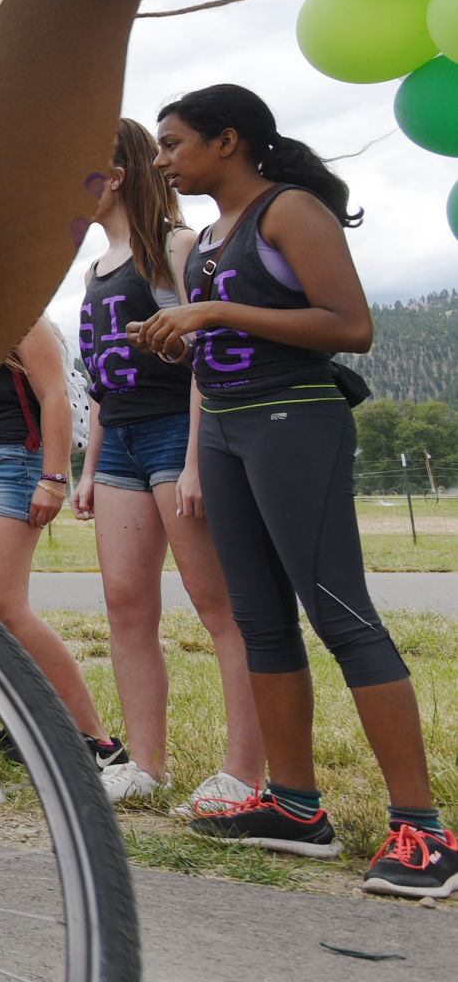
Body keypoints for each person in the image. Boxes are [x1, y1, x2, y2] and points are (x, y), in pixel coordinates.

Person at [128, 83, 454, 899]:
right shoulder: (203, 240)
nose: (162, 161)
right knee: (260, 622)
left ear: (226, 140)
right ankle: (296, 808)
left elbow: (350, 327)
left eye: (172, 144)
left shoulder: (288, 211)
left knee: (339, 613)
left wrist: (213, 311)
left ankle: (422, 834)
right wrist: (177, 332)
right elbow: (224, 332)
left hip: (295, 420)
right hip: (232, 430)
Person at [74, 119, 264, 811]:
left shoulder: (175, 249)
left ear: (116, 175)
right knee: (125, 607)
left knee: (220, 609)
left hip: (172, 437)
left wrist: (192, 463)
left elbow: (204, 360)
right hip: (119, 443)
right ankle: (143, 764)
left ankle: (243, 775)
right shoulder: (94, 267)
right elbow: (100, 379)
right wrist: (89, 469)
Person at [0, 318, 125, 769]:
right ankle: (29, 725)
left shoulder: (17, 312)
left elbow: (53, 395)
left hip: (6, 458)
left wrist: (53, 478)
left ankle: (96, 739)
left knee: (2, 604)